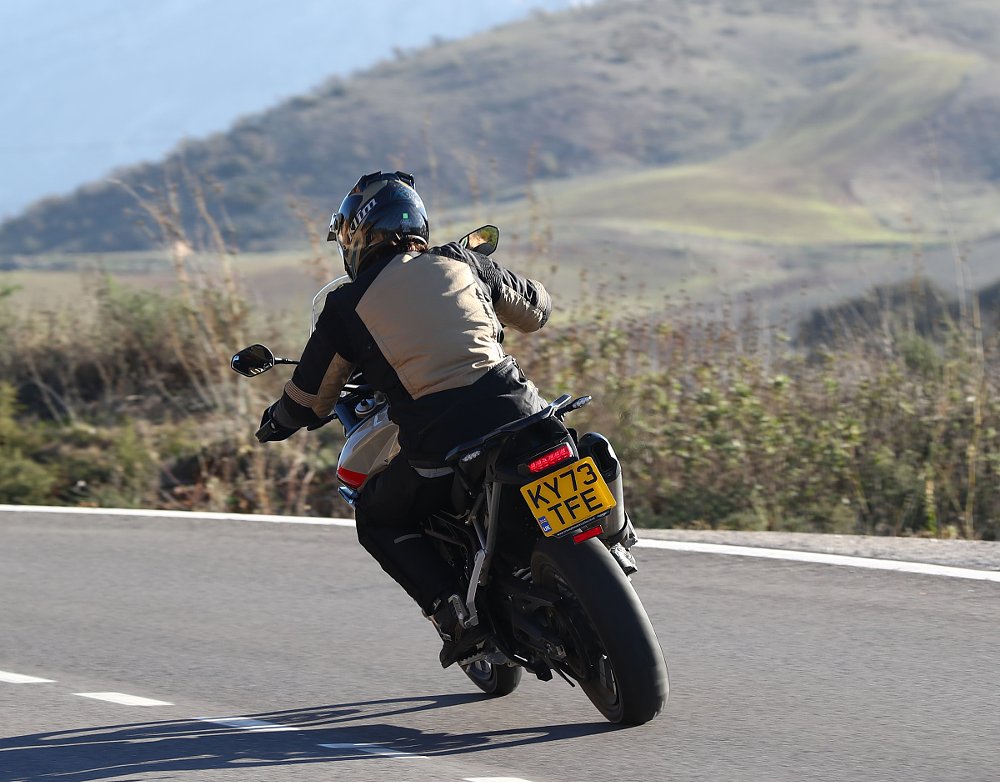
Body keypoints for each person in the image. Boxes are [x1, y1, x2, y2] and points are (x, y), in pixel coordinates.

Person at [256, 170, 552, 667]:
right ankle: (617, 538)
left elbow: (309, 399)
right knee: (587, 447)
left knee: (376, 516)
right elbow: (537, 310)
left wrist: (276, 421)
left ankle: (455, 615)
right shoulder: (462, 263)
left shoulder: (347, 305)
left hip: (442, 443)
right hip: (524, 411)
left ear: (363, 232)